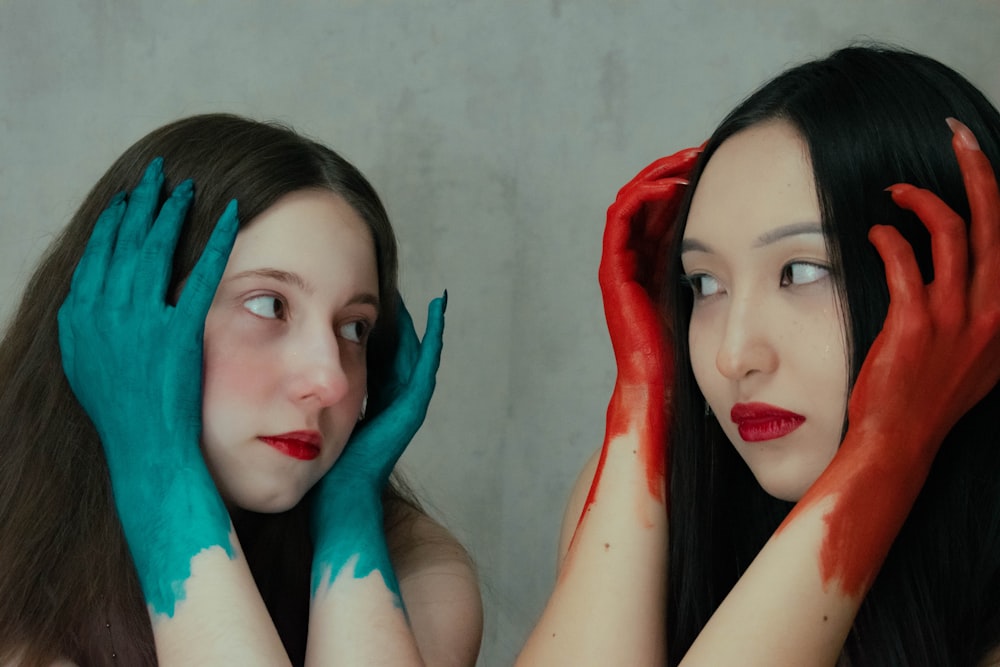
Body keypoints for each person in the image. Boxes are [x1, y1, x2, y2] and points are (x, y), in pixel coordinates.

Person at [517, 45, 1000, 665]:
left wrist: (890, 445)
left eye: (800, 271)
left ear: (957, 275)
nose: (732, 355)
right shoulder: (654, 488)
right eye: (704, 285)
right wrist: (644, 395)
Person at [0, 114, 482, 666]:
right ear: (121, 318)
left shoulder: (416, 568)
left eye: (354, 328)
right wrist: (154, 464)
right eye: (269, 305)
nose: (330, 381)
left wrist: (350, 510)